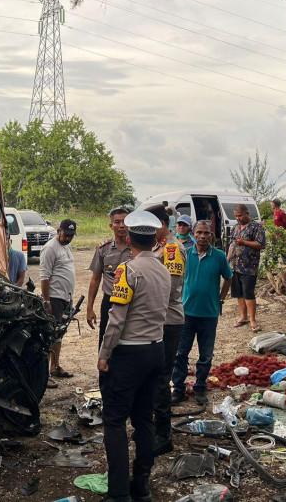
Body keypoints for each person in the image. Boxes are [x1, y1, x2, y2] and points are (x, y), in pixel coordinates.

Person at [98, 210, 170, 502]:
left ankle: (118, 493)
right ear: (155, 239)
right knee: (144, 419)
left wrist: (104, 354)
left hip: (129, 353)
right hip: (156, 349)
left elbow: (116, 320)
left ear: (129, 238)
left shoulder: (128, 270)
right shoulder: (164, 270)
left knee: (114, 421)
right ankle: (141, 486)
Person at [171, 220, 232, 407]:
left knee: (205, 355)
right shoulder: (185, 254)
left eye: (206, 233)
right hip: (186, 312)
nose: (202, 236)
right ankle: (178, 389)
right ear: (193, 233)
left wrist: (220, 298)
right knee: (181, 352)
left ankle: (199, 388)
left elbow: (228, 278)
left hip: (209, 313)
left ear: (211, 235)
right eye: (199, 232)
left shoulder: (219, 256)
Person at [144, 204, 186, 456]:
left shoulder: (171, 249)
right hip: (156, 320)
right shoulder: (157, 247)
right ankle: (153, 427)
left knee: (161, 378)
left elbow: (170, 288)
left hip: (167, 320)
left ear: (161, 224)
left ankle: (163, 434)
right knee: (152, 376)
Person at [85, 207, 132, 348]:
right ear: (111, 226)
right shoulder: (103, 249)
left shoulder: (138, 249)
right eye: (117, 222)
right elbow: (95, 279)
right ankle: (104, 370)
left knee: (129, 341)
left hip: (132, 303)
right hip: (109, 301)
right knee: (106, 340)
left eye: (125, 221)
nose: (122, 225)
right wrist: (89, 308)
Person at [39, 218, 77, 386]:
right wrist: (46, 300)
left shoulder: (66, 246)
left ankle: (55, 366)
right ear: (58, 230)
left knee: (59, 333)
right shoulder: (50, 248)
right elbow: (44, 277)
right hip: (54, 297)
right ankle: (43, 375)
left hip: (65, 297)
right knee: (50, 335)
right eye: (65, 234)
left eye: (71, 235)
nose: (68, 238)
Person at [224, 204, 266, 332]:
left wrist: (244, 242)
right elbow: (232, 244)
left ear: (247, 213)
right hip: (235, 265)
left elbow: (260, 244)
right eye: (236, 216)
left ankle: (253, 320)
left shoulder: (256, 227)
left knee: (248, 293)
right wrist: (226, 260)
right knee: (238, 293)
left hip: (249, 267)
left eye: (240, 215)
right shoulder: (235, 227)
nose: (238, 218)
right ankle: (243, 317)